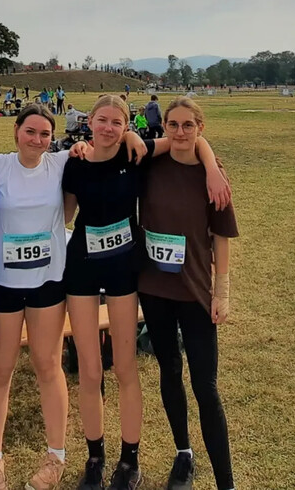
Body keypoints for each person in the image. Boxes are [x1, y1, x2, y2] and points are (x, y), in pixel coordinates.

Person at [0, 105, 147, 490]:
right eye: (30, 131)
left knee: (48, 366)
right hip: (4, 283)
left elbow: (104, 142)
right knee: (0, 370)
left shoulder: (61, 161)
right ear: (16, 131)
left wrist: (130, 133)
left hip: (48, 282)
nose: (37, 139)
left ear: (52, 138)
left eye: (44, 134)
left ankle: (55, 457)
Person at [62, 95, 230, 490]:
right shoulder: (74, 162)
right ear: (89, 121)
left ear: (127, 126)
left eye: (117, 122)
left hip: (125, 268)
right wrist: (75, 149)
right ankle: (95, 457)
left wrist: (211, 168)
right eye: (101, 120)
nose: (108, 128)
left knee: (125, 367)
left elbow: (190, 138)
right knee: (90, 369)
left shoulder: (136, 154)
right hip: (82, 267)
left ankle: (129, 461)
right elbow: (65, 215)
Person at [137, 96, 238, 490]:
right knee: (169, 371)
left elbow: (221, 238)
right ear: (163, 127)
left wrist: (221, 292)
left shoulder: (214, 177)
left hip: (195, 291)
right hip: (155, 288)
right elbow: (121, 145)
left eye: (188, 125)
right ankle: (184, 453)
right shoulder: (150, 165)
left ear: (201, 129)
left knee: (205, 387)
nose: (180, 132)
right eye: (173, 125)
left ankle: (226, 482)